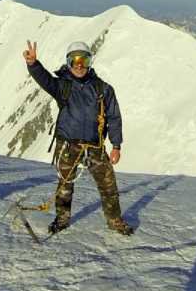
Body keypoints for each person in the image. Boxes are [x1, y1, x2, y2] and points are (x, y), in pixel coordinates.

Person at [23, 39, 134, 236]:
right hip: (69, 144)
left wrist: (116, 145)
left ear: (90, 62)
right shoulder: (62, 86)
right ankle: (62, 219)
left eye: (83, 60)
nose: (79, 65)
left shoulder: (103, 89)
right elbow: (45, 80)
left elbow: (114, 117)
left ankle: (115, 220)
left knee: (108, 185)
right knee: (65, 185)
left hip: (95, 146)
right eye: (74, 60)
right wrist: (33, 64)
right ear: (68, 63)